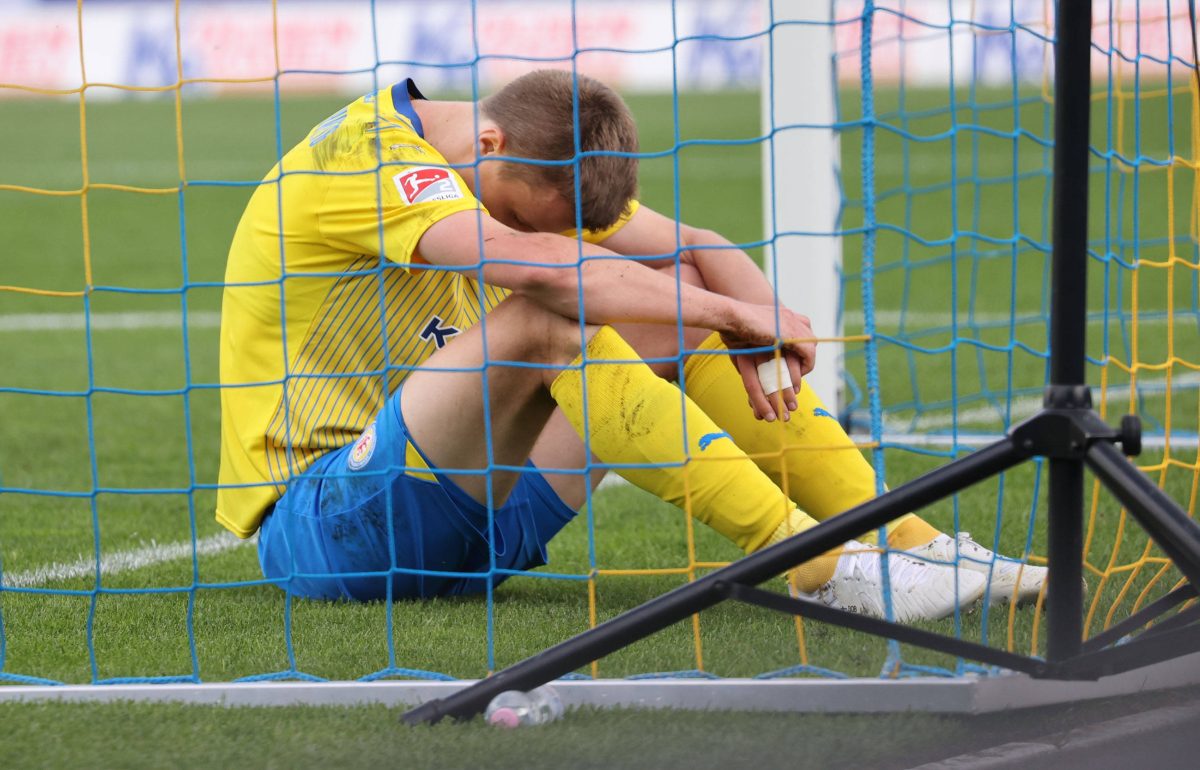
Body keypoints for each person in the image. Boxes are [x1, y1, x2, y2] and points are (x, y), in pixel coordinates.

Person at [216, 70, 1045, 622]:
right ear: (490, 149)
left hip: (487, 528)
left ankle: (903, 538)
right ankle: (821, 564)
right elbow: (549, 265)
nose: (545, 232)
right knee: (550, 312)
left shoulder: (532, 157)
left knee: (675, 303)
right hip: (333, 525)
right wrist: (733, 312)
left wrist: (756, 320)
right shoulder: (364, 159)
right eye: (521, 215)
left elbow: (696, 244)